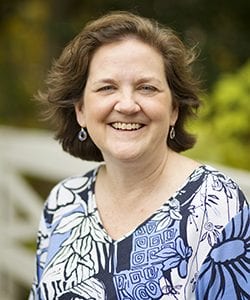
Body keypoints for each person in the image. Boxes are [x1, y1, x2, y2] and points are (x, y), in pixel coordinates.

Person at [29, 11, 250, 300]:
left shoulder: (216, 206)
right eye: (107, 87)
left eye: (147, 87)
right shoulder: (63, 202)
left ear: (174, 109)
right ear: (80, 110)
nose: (127, 104)